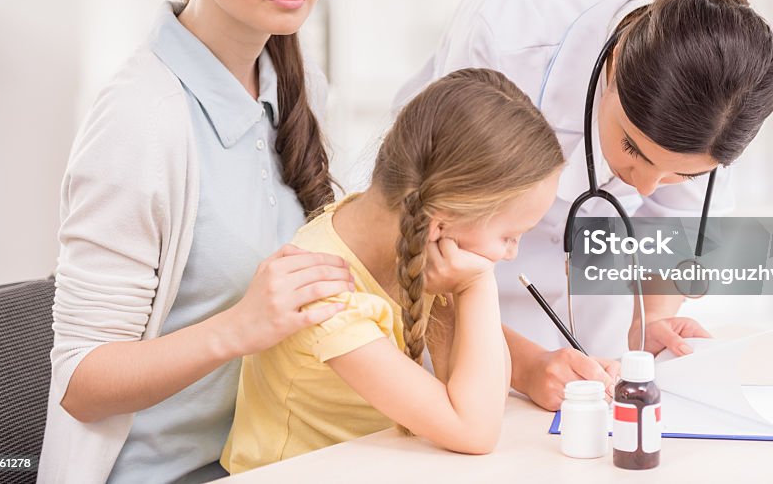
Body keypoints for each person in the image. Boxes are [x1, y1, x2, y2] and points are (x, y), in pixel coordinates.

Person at [39, 0, 352, 482]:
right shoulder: (140, 120)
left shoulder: (299, 86)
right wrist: (240, 326)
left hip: (276, 458)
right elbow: (81, 379)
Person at [394, 0, 773, 411]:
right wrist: (525, 367)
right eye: (634, 149)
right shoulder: (507, 31)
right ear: (615, 61)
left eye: (682, 174)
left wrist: (650, 327)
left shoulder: (721, 90)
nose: (643, 187)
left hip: (589, 299)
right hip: (460, 284)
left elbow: (675, 229)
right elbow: (428, 264)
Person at [220, 68, 565, 473]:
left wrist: (460, 293)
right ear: (441, 222)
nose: (513, 252)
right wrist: (477, 285)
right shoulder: (327, 293)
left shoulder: (410, 244)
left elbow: (483, 395)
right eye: (510, 235)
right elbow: (476, 430)